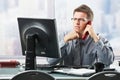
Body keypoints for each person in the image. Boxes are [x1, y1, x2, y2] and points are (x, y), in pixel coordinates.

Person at [48, 4, 114, 68]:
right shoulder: (64, 36)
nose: (77, 22)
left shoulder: (99, 39)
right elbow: (50, 61)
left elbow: (108, 61)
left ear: (89, 23)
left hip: (89, 78)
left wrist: (96, 39)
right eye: (75, 19)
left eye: (81, 20)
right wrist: (65, 40)